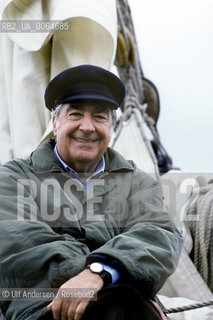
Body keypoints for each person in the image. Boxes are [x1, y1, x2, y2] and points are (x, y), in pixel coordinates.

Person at [0, 64, 183, 320]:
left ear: (111, 127)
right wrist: (106, 271)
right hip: (42, 309)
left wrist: (98, 273)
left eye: (99, 117)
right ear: (55, 122)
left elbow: (159, 235)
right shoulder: (13, 177)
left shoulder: (137, 183)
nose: (87, 127)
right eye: (75, 114)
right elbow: (21, 242)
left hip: (124, 303)